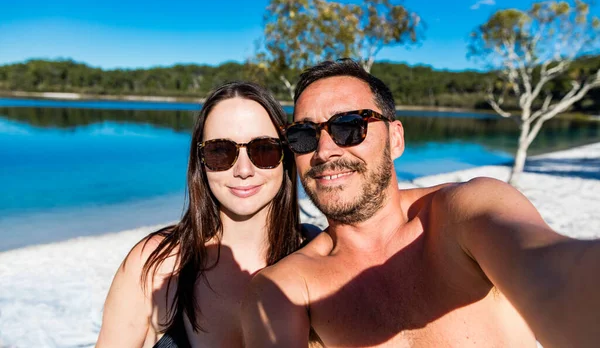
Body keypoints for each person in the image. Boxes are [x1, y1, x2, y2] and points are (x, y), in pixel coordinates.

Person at [242, 59, 600, 348]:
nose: (324, 151)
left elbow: (552, 270)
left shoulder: (466, 212)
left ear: (395, 139)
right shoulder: (285, 287)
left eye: (348, 126)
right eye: (304, 135)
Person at [96, 81, 319, 347]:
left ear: (285, 156)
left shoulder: (316, 253)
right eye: (221, 152)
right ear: (200, 163)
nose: (243, 170)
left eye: (263, 149)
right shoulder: (154, 264)